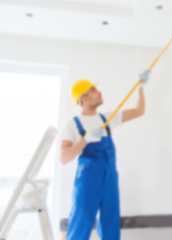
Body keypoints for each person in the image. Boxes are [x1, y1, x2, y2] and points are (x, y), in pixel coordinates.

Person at [59, 71, 149, 240]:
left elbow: (139, 111)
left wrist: (141, 87)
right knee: (81, 222)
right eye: (94, 90)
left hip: (109, 177)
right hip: (88, 179)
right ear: (84, 98)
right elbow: (63, 157)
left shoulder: (107, 119)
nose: (99, 92)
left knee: (110, 223)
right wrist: (85, 140)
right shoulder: (72, 125)